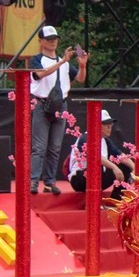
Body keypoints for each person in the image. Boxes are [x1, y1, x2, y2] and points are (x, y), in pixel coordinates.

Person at [29, 25, 88, 195]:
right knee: (39, 147)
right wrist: (62, 62)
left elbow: (80, 79)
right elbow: (39, 74)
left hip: (60, 105)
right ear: (41, 41)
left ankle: (49, 182)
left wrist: (82, 66)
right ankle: (33, 181)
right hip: (42, 104)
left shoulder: (64, 63)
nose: (53, 42)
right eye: (49, 39)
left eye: (55, 39)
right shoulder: (37, 59)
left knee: (55, 147)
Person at [68, 110, 134, 198]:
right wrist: (114, 167)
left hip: (98, 176)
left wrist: (134, 168)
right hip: (79, 178)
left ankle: (117, 198)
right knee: (97, 167)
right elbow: (95, 157)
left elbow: (121, 155)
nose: (109, 127)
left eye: (110, 124)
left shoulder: (105, 141)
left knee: (125, 165)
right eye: (106, 124)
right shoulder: (85, 138)